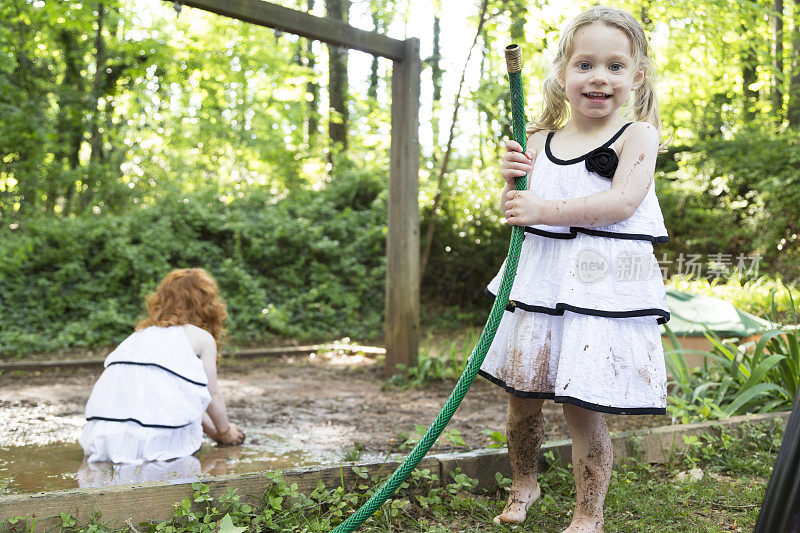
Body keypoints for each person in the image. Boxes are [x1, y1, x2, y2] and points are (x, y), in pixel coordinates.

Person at [481, 6, 670, 531]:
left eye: (614, 66)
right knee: (523, 395)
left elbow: (621, 203)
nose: (599, 78)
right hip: (541, 284)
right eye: (585, 64)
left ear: (636, 77)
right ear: (563, 73)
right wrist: (512, 188)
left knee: (582, 406)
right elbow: (521, 209)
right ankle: (525, 483)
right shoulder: (539, 139)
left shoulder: (638, 137)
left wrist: (545, 210)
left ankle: (589, 512)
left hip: (596, 288)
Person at [79, 268, 245, 464]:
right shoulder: (200, 338)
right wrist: (225, 432)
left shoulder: (139, 336)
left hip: (101, 443)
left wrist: (214, 432)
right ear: (207, 304)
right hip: (158, 447)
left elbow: (181, 400)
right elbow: (211, 395)